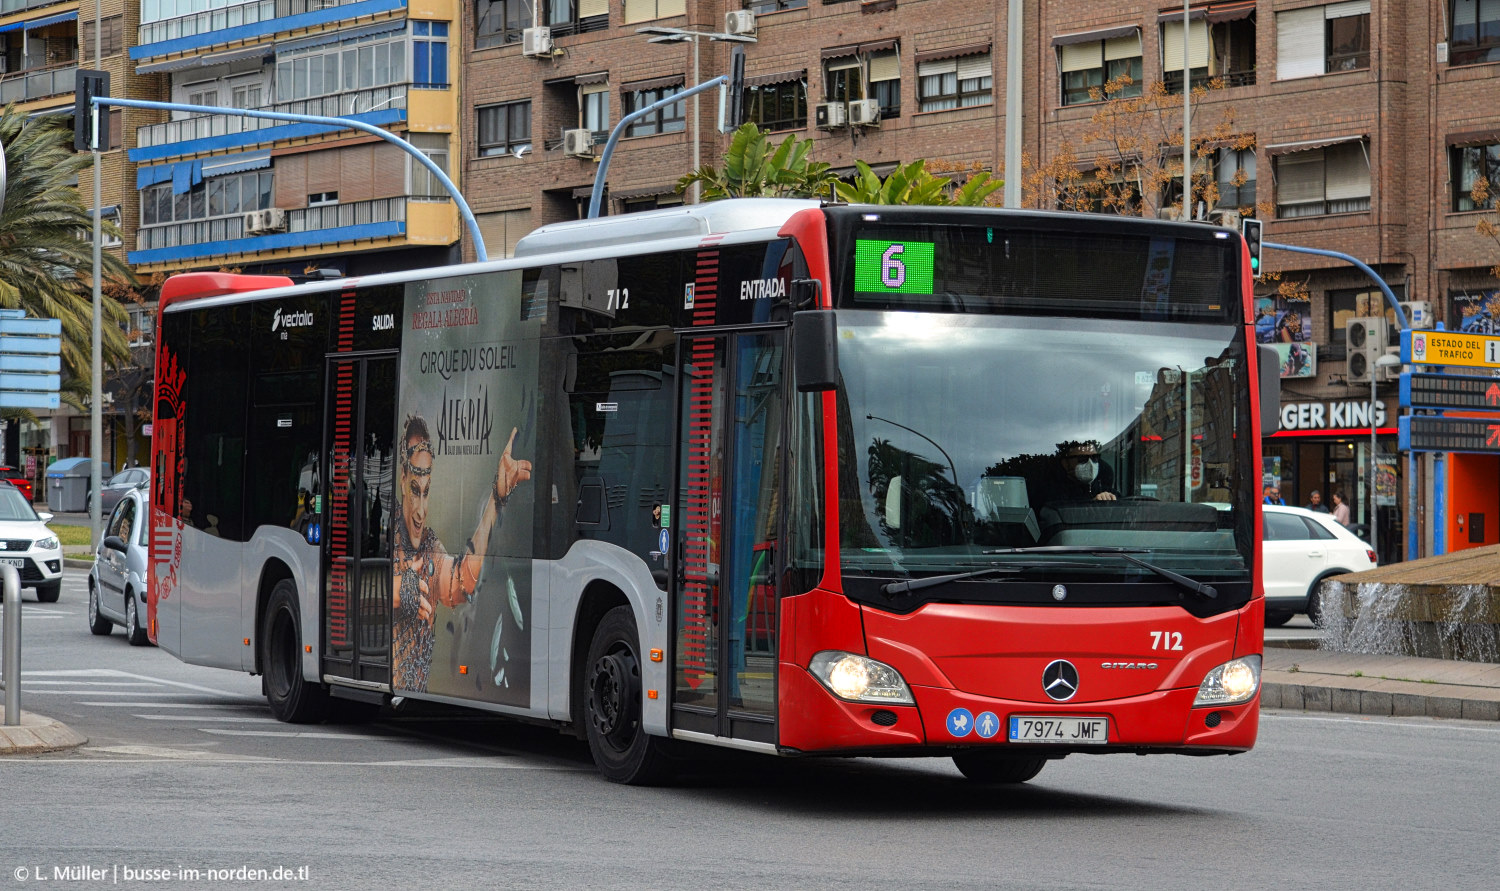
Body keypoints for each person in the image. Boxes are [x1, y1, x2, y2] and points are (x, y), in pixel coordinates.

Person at [391, 415, 532, 693]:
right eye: (415, 491)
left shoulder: (429, 547)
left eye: (426, 492)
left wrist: (496, 498)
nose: (421, 510)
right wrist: (398, 588)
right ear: (403, 479)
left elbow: (461, 580)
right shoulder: (387, 533)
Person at [1027, 440, 1117, 509]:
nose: (1090, 464)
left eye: (1094, 457)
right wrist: (1093, 505)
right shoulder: (1050, 495)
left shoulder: (1107, 492)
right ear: (1065, 463)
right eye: (1082, 458)